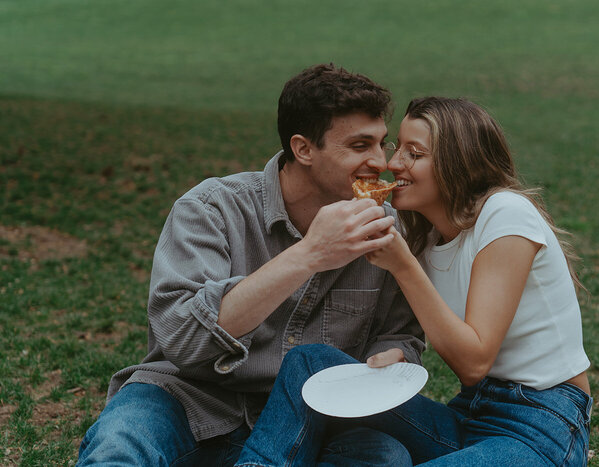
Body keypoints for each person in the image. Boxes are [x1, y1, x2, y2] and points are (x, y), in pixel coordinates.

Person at [76, 64, 424, 466]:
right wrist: (310, 253)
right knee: (120, 443)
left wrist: (393, 356)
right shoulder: (211, 209)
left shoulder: (387, 232)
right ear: (304, 149)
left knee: (385, 457)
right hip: (191, 398)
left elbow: (400, 335)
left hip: (312, 417)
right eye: (361, 146)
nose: (381, 161)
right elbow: (183, 338)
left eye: (382, 143)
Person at [234, 97, 592, 466]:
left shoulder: (505, 214)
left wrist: (403, 266)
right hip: (471, 414)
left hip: (542, 424)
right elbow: (422, 340)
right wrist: (395, 353)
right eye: (398, 149)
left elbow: (473, 363)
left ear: (459, 163)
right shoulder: (428, 238)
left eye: (414, 153)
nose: (392, 164)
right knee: (310, 362)